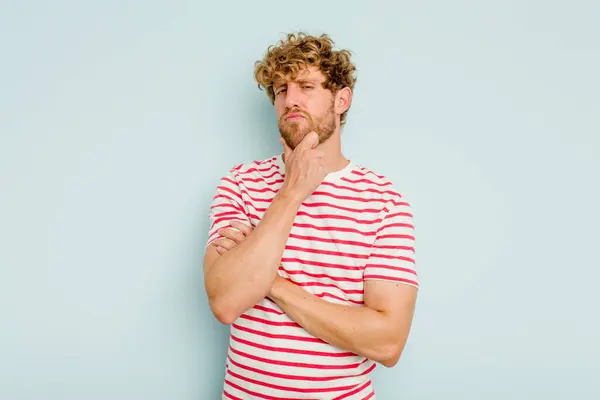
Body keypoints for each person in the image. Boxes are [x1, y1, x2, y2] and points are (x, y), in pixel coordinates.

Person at [203, 32, 419, 399]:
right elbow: (226, 302)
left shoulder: (384, 200)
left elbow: (387, 342)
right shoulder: (240, 183)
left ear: (341, 99)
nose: (291, 100)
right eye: (282, 89)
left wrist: (270, 281)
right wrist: (292, 192)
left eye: (306, 86)